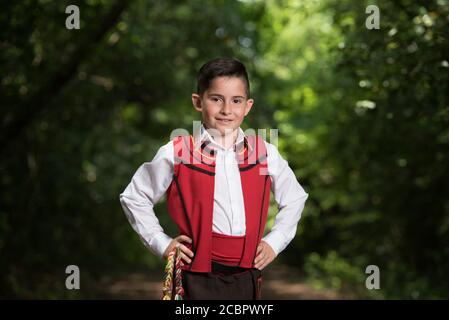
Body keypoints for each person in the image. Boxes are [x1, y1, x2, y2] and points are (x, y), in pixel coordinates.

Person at [119, 57, 309, 300]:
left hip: (246, 276)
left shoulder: (264, 153)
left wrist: (275, 241)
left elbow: (295, 198)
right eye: (216, 99)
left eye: (236, 101)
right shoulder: (178, 152)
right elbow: (134, 197)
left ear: (247, 106)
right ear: (198, 102)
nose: (227, 110)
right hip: (194, 277)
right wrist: (162, 243)